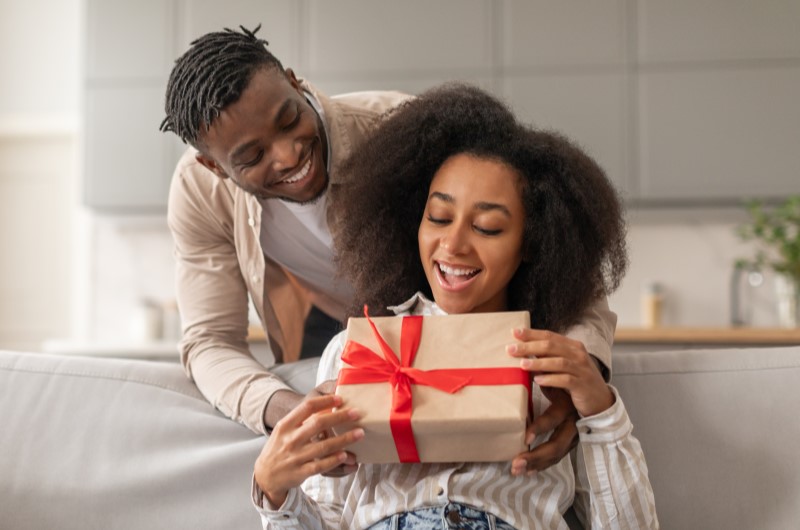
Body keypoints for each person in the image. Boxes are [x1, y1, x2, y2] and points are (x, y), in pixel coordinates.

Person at [160, 25, 617, 474]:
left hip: (449, 326)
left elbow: (567, 254)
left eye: (289, 119)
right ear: (213, 165)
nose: (289, 154)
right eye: (253, 157)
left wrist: (582, 377)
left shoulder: (403, 129)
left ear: (296, 83)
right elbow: (209, 341)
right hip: (336, 336)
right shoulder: (199, 193)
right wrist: (293, 413)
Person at [253, 84, 657, 530]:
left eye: (488, 227)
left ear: (531, 242)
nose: (453, 244)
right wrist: (273, 491)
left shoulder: (557, 369)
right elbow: (325, 516)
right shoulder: (358, 351)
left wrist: (600, 411)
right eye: (439, 218)